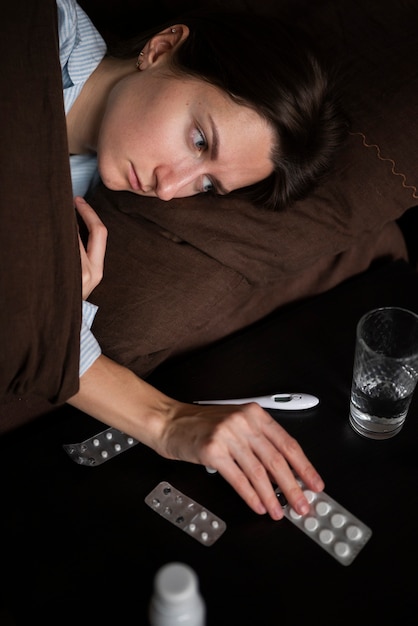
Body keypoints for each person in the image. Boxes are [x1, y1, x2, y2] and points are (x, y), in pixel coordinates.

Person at [58, 0, 347, 520]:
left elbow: (39, 344)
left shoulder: (69, 210)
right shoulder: (47, 34)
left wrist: (170, 424)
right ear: (162, 48)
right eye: (199, 140)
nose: (169, 188)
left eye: (207, 185)